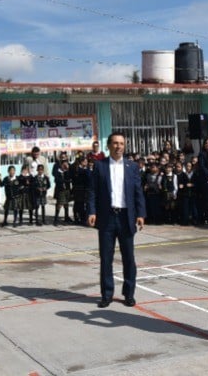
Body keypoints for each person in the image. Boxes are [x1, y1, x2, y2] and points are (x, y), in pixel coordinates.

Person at [87, 131, 146, 308]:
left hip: (126, 217)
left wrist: (141, 214)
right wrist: (92, 211)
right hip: (107, 217)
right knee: (106, 258)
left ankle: (129, 293)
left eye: (121, 143)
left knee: (129, 258)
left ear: (124, 146)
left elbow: (138, 192)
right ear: (108, 145)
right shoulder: (99, 166)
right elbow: (92, 192)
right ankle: (107, 294)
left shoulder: (132, 167)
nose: (118, 146)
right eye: (115, 143)